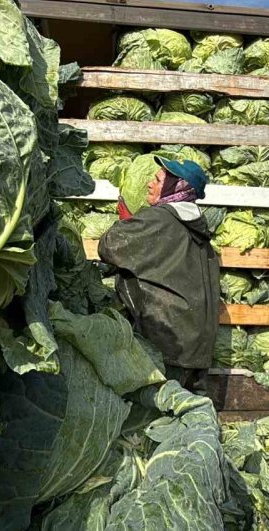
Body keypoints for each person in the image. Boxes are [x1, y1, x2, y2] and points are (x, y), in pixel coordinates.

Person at [98, 156, 220, 390]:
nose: (149, 184)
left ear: (175, 187)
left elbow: (108, 246)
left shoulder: (159, 217)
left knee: (153, 414)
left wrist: (126, 221)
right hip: (195, 344)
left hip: (164, 339)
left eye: (157, 180)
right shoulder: (198, 225)